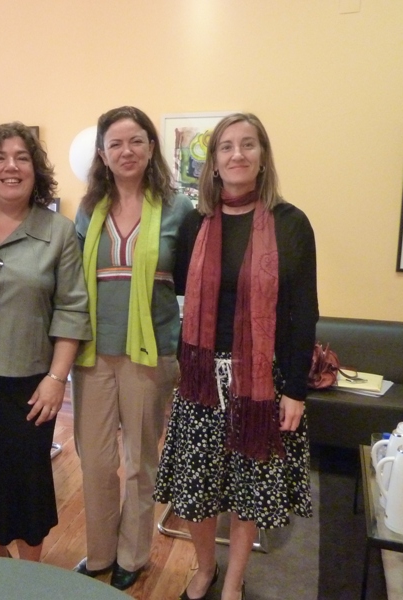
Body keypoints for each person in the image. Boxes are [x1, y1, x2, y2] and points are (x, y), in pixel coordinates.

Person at [154, 113, 318, 600]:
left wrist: (295, 391)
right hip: (202, 379)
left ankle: (233, 580)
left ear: (263, 156)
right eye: (226, 147)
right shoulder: (195, 224)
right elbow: (183, 298)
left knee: (248, 489)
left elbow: (302, 311)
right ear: (214, 162)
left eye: (248, 145)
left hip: (261, 381)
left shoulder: (291, 224)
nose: (237, 155)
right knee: (198, 487)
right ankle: (204, 568)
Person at [0, 122, 91, 562]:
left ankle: (30, 574)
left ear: (35, 169)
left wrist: (56, 378)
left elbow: (72, 309)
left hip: (30, 386)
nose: (11, 166)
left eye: (22, 158)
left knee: (26, 486)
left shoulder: (59, 231)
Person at [71, 106, 194, 591]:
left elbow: (191, 284)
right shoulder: (87, 210)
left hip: (152, 353)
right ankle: (99, 551)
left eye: (136, 141)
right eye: (116, 143)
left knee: (140, 459)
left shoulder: (179, 210)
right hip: (93, 353)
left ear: (150, 147)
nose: (127, 151)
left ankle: (133, 554)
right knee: (97, 460)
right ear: (102, 152)